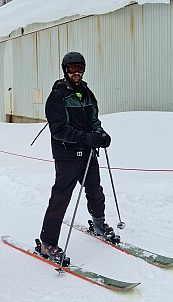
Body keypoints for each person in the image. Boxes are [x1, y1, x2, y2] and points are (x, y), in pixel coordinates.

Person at [36, 51, 115, 265]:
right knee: (61, 197)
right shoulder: (58, 95)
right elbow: (58, 130)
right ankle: (47, 242)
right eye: (72, 69)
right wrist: (84, 138)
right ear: (65, 70)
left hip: (88, 154)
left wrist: (100, 134)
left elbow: (94, 120)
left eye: (80, 68)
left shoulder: (87, 93)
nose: (76, 72)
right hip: (67, 155)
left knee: (95, 191)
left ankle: (98, 223)